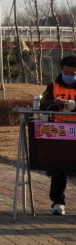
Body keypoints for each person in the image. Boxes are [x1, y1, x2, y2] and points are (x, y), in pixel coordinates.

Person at [39, 55, 76, 216]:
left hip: (75, 132)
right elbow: (43, 105)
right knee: (58, 170)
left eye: (73, 73)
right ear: (61, 70)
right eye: (66, 72)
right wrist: (54, 103)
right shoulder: (53, 86)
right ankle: (58, 202)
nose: (69, 75)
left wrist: (74, 106)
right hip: (59, 132)